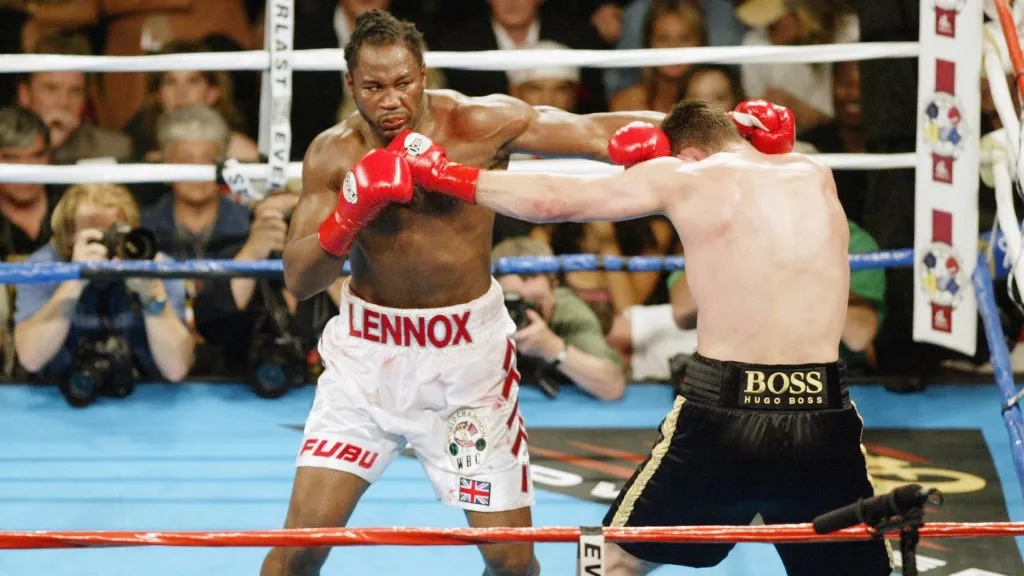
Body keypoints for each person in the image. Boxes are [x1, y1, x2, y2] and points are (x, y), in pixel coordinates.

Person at [380, 98, 891, 574]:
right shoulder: (815, 173)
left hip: (724, 412)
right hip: (824, 412)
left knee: (612, 555)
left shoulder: (687, 174)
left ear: (687, 153)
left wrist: (448, 175)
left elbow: (558, 200)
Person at [263, 9, 662, 576]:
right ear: (350, 85)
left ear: (423, 73)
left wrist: (719, 131)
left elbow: (597, 133)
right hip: (365, 363)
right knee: (297, 553)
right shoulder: (332, 154)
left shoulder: (478, 124)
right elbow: (300, 282)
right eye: (373, 87)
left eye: (403, 83)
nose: (391, 101)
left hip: (465, 368)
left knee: (511, 561)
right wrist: (349, 213)